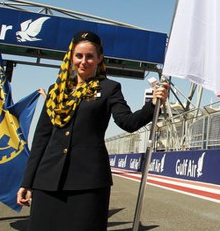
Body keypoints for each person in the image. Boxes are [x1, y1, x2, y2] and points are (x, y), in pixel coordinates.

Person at [16, 31, 168, 231]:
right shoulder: (55, 91)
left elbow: (127, 122)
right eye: (79, 56)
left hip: (88, 183)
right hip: (47, 181)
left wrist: (153, 104)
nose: (83, 61)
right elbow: (41, 139)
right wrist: (27, 182)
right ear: (71, 57)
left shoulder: (109, 88)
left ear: (99, 58)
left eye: (89, 56)